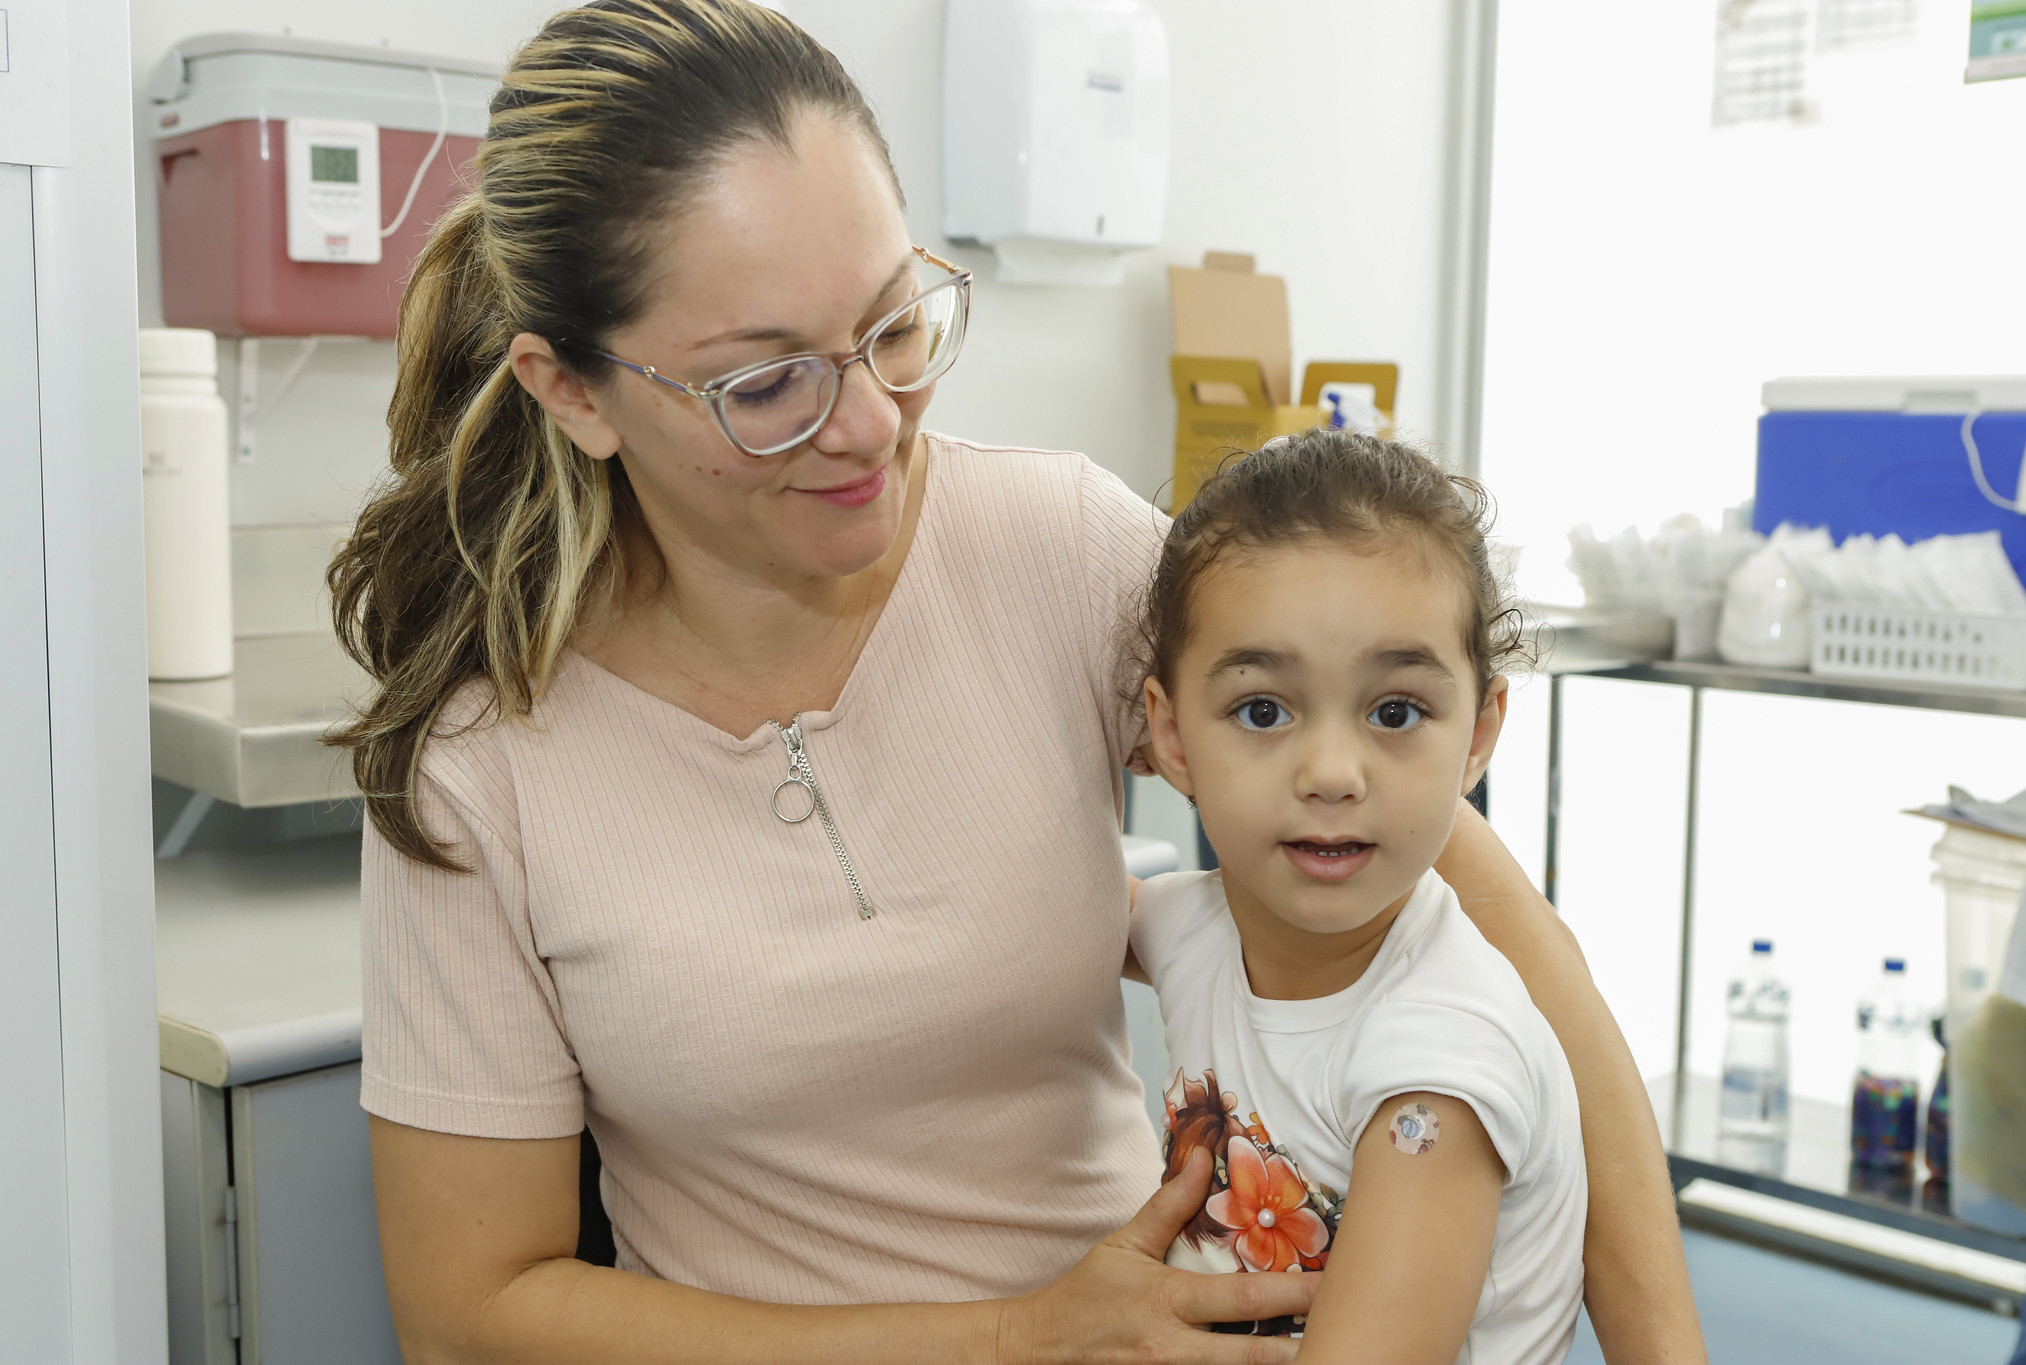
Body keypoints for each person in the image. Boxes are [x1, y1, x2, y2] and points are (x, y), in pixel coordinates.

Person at [327, 2, 1706, 1361]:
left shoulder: (1059, 552)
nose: (870, 422)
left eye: (895, 325)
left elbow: (1498, 939)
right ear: (573, 391)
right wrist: (1008, 1337)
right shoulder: (484, 764)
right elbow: (474, 1307)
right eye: (766, 385)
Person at [1129, 430, 1590, 1362]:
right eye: (1264, 710)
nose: (1333, 773)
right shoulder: (1194, 926)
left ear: (1478, 733)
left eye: (1395, 712)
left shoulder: (1439, 1066)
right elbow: (1021, 916)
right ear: (1171, 736)